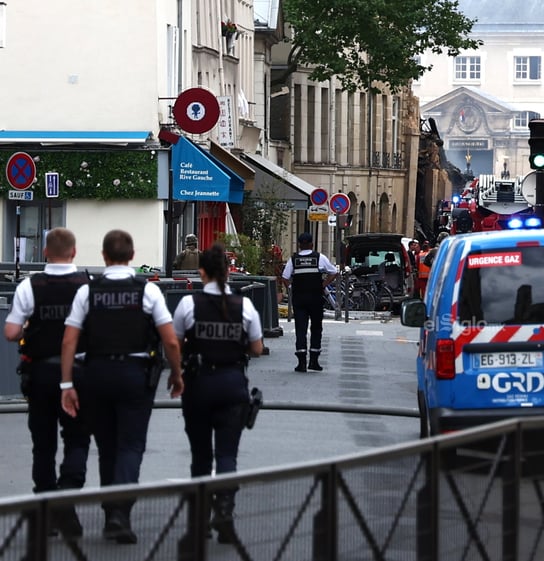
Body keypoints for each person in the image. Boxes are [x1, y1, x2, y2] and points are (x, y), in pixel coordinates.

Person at [60, 229, 184, 544]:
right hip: (134, 374)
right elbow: (170, 339)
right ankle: (119, 514)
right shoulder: (147, 292)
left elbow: (69, 340)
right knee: (130, 446)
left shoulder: (88, 292)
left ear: (104, 256)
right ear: (132, 256)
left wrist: (66, 384)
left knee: (107, 447)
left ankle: (109, 510)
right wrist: (177, 373)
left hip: (96, 373)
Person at [173, 243, 263, 544]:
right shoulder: (244, 306)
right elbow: (257, 347)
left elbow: (175, 343)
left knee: (200, 457)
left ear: (202, 273)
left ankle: (198, 525)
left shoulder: (188, 305)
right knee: (227, 455)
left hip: (198, 384)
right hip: (232, 384)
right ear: (228, 272)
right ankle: (224, 511)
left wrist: (177, 372)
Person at [4, 227, 91, 538]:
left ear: (44, 253)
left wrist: (32, 328)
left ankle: (44, 509)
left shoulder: (31, 285)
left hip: (40, 372)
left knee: (43, 445)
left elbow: (11, 333)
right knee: (78, 439)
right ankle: (66, 500)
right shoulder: (86, 286)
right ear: (74, 252)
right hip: (78, 373)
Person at [281, 232, 337, 372]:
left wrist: (291, 288)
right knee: (316, 328)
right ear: (312, 244)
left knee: (301, 329)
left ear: (299, 245)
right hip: (315, 298)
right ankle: (314, 361)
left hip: (299, 299)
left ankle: (301, 362)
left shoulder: (293, 260)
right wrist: (323, 284)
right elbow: (333, 272)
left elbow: (285, 277)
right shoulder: (319, 258)